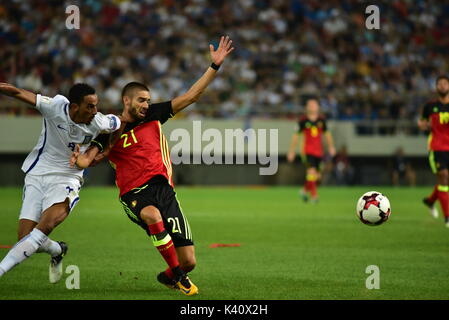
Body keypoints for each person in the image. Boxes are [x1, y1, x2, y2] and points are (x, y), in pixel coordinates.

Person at [70, 36, 234, 296]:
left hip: (165, 191)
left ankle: (170, 275)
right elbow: (89, 158)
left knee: (189, 261)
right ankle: (179, 277)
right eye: (141, 100)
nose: (146, 105)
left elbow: (192, 96)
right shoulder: (110, 130)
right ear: (127, 101)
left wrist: (214, 66)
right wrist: (77, 159)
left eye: (148, 101)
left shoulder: (155, 114)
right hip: (134, 193)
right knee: (152, 216)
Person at [0, 82, 121, 282]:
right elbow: (17, 92)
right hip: (37, 174)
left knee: (42, 229)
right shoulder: (54, 106)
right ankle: (58, 249)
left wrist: (102, 153)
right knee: (25, 238)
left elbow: (120, 122)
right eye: (90, 106)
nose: (95, 111)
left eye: (96, 105)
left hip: (68, 178)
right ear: (74, 107)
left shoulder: (99, 122)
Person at [287, 98, 336, 203]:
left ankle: (304, 190)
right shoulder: (303, 121)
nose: (312, 107)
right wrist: (292, 151)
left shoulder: (321, 120)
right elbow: (296, 136)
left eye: (314, 105)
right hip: (307, 151)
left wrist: (331, 146)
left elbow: (327, 134)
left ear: (318, 107)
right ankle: (314, 197)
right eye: (310, 105)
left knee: (317, 176)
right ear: (307, 108)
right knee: (311, 172)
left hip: (319, 152)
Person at [419, 75, 449, 226]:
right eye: (440, 84)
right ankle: (447, 218)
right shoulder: (430, 106)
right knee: (444, 176)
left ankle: (430, 201)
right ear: (436, 87)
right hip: (437, 148)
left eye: (445, 83)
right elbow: (422, 122)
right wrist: (424, 126)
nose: (443, 86)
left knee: (445, 180)